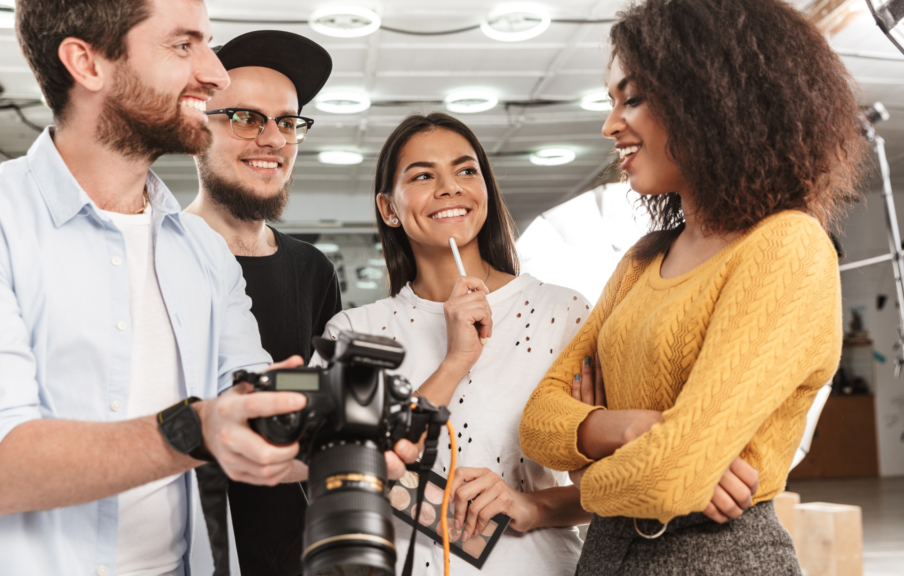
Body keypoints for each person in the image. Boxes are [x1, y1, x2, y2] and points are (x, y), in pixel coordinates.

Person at [0, 2, 417, 574]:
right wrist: (195, 428)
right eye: (183, 46)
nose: (215, 73)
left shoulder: (201, 253)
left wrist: (347, 436)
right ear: (87, 63)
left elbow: (247, 413)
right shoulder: (6, 222)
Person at [317, 112, 760, 576]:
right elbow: (344, 482)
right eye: (423, 175)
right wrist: (455, 361)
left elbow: (606, 485)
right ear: (389, 208)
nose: (449, 187)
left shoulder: (560, 313)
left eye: (466, 170)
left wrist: (530, 506)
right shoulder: (352, 335)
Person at [519, 0, 867, 574]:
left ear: (709, 99)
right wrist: (635, 428)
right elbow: (537, 423)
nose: (610, 125)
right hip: (606, 556)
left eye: (632, 99)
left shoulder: (787, 248)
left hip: (719, 556)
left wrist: (584, 468)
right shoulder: (642, 259)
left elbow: (670, 476)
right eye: (611, 102)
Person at [184, 30, 342, 576]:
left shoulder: (312, 269)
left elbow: (319, 401)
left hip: (297, 550)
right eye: (246, 118)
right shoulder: (157, 253)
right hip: (187, 547)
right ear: (196, 126)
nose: (272, 138)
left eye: (286, 121)